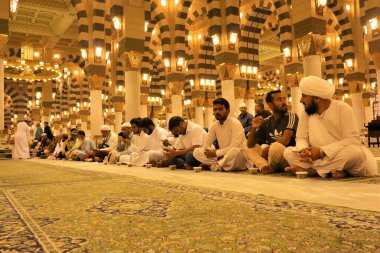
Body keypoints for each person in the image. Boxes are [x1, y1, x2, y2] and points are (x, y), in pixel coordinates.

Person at [284, 76, 378, 179]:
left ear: (316, 98)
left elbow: (353, 140)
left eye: (304, 96)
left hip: (338, 154)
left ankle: (312, 171)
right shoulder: (306, 113)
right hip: (317, 159)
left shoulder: (343, 109)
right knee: (288, 152)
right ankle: (336, 171)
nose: (301, 100)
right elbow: (301, 138)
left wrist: (322, 151)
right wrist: (304, 151)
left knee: (355, 153)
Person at [243, 90, 298, 174]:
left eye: (284, 99)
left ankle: (269, 167)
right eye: (279, 100)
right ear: (270, 105)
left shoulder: (291, 116)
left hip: (286, 156)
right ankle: (264, 166)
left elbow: (285, 140)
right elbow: (250, 144)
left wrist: (267, 149)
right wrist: (253, 128)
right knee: (244, 145)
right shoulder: (266, 121)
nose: (283, 102)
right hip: (271, 156)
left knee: (275, 147)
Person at [193, 98, 246, 171]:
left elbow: (235, 145)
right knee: (196, 151)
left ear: (228, 111)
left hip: (235, 155)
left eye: (220, 109)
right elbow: (206, 144)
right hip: (221, 155)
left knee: (235, 152)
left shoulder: (235, 123)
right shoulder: (213, 126)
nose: (217, 112)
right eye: (215, 110)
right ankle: (220, 165)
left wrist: (217, 153)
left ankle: (215, 165)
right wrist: (211, 152)